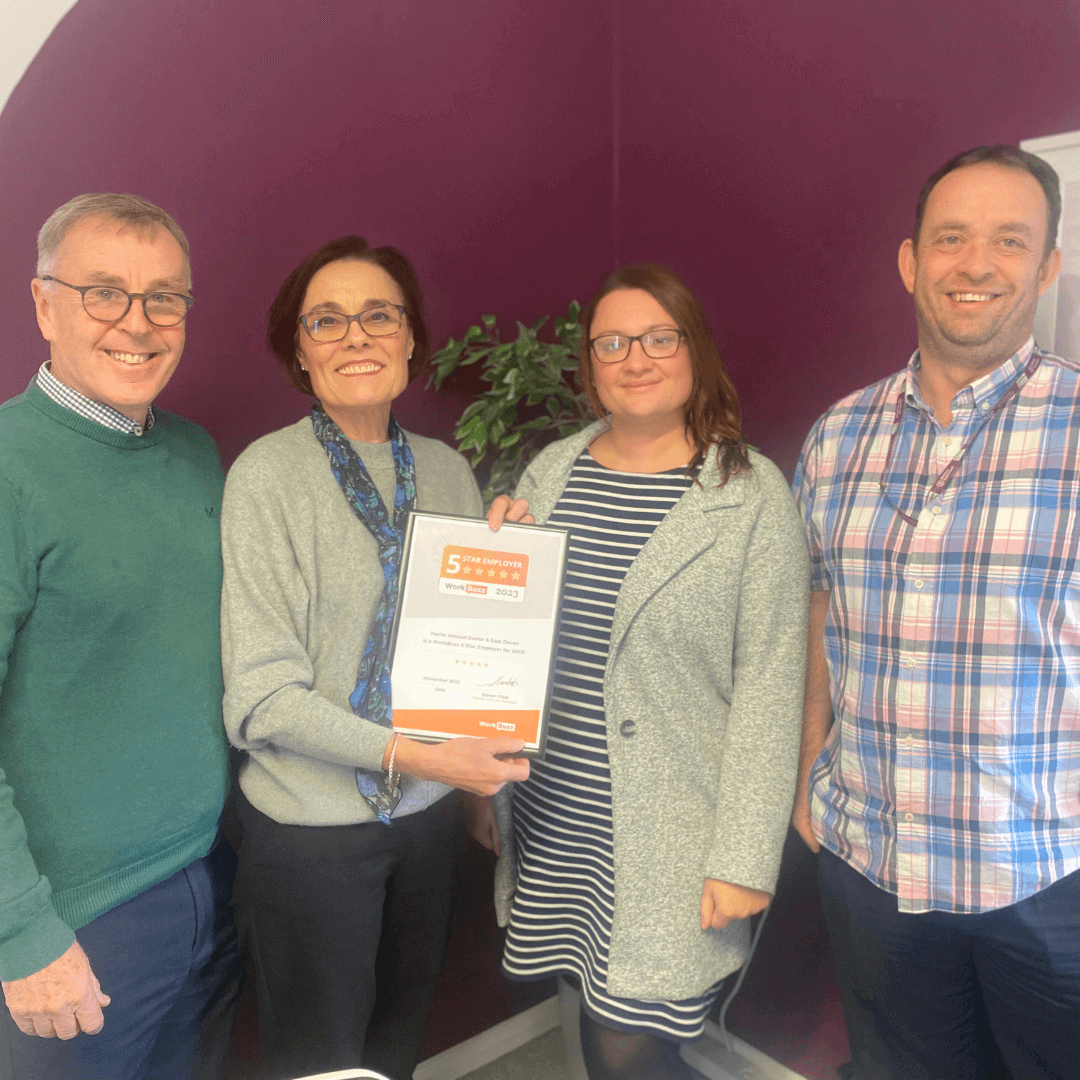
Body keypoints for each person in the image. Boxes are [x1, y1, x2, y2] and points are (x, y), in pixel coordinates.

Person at [791, 144, 1080, 1079]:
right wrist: (806, 772)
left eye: (1008, 240)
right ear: (911, 262)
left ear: (1048, 266)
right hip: (874, 862)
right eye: (950, 238)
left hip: (1047, 878)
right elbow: (820, 618)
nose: (976, 263)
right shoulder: (837, 437)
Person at [480, 264, 809, 1080]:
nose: (638, 357)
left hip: (674, 835)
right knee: (591, 1006)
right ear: (589, 367)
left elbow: (773, 687)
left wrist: (742, 856)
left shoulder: (751, 495)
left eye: (661, 337)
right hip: (558, 814)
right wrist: (482, 786)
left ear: (694, 351)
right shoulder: (550, 472)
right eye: (613, 343)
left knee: (629, 1043)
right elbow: (504, 644)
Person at [220, 235, 530, 1080]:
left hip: (427, 819)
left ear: (410, 340)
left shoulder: (448, 472)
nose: (355, 335)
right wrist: (417, 753)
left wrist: (514, 567)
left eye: (378, 315)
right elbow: (261, 699)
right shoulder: (266, 476)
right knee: (319, 1064)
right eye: (328, 321)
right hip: (310, 835)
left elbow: (469, 650)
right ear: (300, 350)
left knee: (397, 1049)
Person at [0, 194, 240, 1080]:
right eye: (104, 293)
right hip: (78, 918)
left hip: (208, 876)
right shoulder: (8, 470)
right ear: (43, 304)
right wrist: (21, 935)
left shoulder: (193, 454)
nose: (137, 324)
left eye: (163, 297)